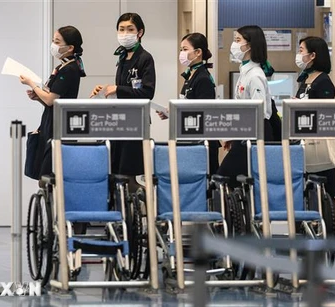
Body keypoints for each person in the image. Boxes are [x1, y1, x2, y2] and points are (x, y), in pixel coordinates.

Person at [90, 12, 155, 191]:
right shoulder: (122, 58)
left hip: (135, 123)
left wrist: (117, 89)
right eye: (121, 29)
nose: (125, 33)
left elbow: (147, 92)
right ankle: (119, 214)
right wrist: (105, 90)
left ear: (140, 32)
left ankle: (143, 209)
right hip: (118, 122)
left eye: (130, 29)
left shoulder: (144, 58)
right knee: (115, 172)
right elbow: (123, 89)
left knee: (129, 176)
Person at [20, 25, 86, 184]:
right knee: (42, 174)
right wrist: (38, 97)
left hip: (60, 127)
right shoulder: (62, 66)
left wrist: (31, 83)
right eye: (53, 41)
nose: (53, 45)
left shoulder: (70, 69)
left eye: (57, 42)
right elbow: (51, 101)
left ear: (70, 47)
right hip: (51, 121)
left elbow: (52, 99)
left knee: (48, 175)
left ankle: (57, 206)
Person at [216, 25, 278, 188]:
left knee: (223, 177)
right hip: (244, 134)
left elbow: (259, 113)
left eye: (238, 40)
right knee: (229, 180)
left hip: (255, 135)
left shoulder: (255, 75)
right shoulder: (245, 72)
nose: (234, 45)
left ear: (249, 46)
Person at [295, 36, 335, 237]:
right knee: (304, 183)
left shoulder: (323, 81)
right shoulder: (304, 78)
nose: (298, 55)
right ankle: (305, 224)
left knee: (327, 185)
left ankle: (327, 226)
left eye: (301, 50)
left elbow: (324, 111)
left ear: (313, 55)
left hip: (319, 141)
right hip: (303, 140)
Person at [157, 32, 219, 174]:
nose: (182, 53)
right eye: (181, 50)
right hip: (190, 136)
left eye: (185, 49)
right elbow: (188, 103)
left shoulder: (203, 78)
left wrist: (176, 112)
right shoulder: (191, 74)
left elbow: (203, 112)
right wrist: (171, 111)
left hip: (202, 142)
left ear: (198, 52)